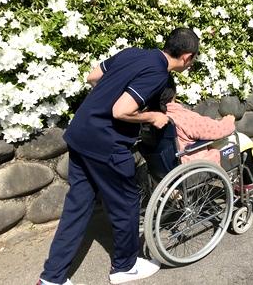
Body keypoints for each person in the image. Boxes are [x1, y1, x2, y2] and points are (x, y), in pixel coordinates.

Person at [38, 28, 199, 285]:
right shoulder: (158, 74)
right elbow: (120, 110)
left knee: (77, 208)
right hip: (106, 144)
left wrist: (110, 99)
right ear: (187, 57)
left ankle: (52, 278)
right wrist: (152, 116)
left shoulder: (132, 53)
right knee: (126, 203)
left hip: (80, 135)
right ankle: (124, 266)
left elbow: (92, 77)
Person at [140, 76, 253, 190]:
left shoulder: (146, 117)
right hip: (192, 165)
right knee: (241, 141)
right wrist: (228, 121)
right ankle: (249, 183)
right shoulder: (181, 116)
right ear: (173, 93)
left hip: (162, 168)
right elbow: (214, 130)